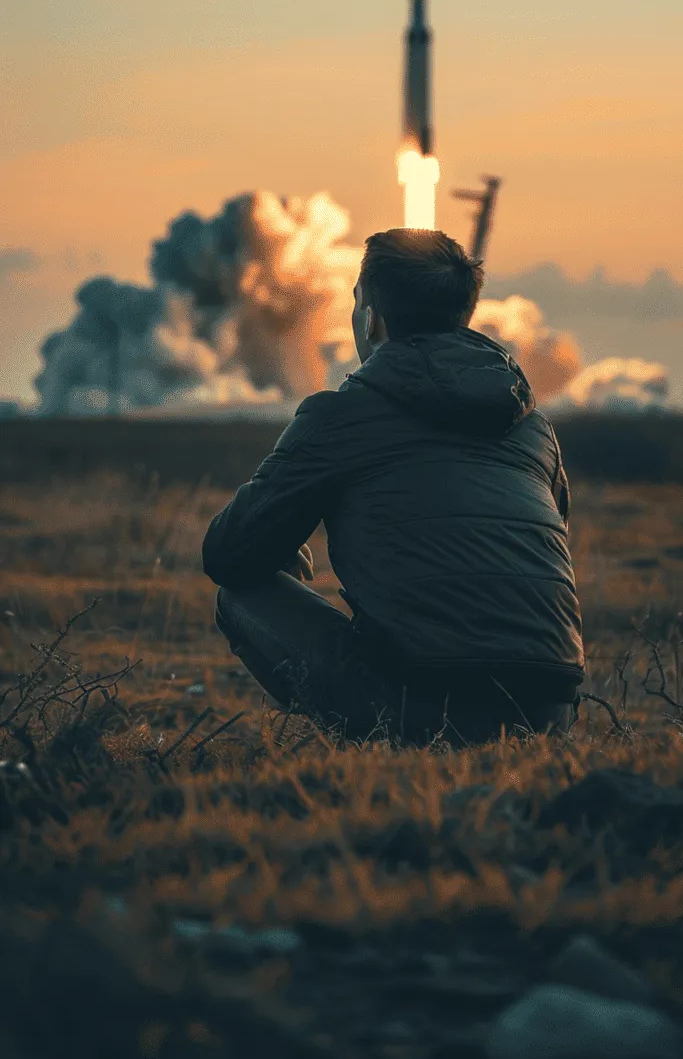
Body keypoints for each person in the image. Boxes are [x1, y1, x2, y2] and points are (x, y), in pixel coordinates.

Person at [202, 229, 585, 746]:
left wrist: (279, 549)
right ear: (463, 314)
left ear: (370, 316)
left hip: (417, 709)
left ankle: (373, 744)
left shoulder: (340, 416)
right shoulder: (534, 428)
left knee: (241, 592)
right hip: (548, 715)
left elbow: (227, 554)